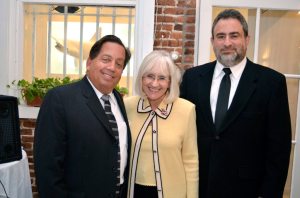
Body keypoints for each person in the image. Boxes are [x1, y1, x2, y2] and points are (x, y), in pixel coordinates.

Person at [180, 9, 291, 198]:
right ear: (213, 41)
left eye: (234, 36)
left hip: (248, 190)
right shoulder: (192, 79)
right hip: (199, 187)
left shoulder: (271, 83)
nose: (227, 43)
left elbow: (278, 149)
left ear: (246, 40)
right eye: (220, 36)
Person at [34, 35, 131, 198]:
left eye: (119, 64)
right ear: (89, 62)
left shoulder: (118, 100)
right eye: (106, 59)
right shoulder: (60, 99)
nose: (112, 67)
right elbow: (48, 170)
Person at [124, 50, 199, 198]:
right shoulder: (127, 106)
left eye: (162, 78)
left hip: (172, 192)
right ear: (141, 78)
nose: (154, 83)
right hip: (132, 191)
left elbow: (191, 161)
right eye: (150, 76)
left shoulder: (186, 110)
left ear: (170, 82)